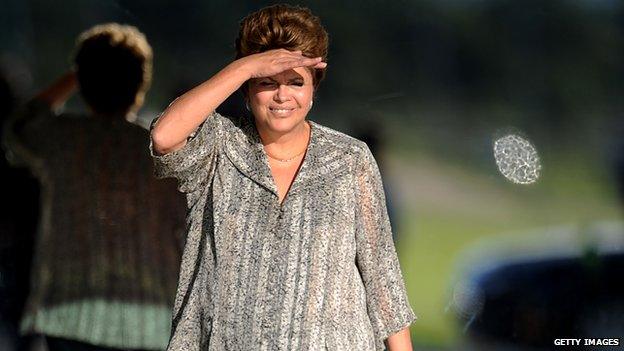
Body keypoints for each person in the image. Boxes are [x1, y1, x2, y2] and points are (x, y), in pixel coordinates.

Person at [151, 5, 416, 351]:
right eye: (267, 82)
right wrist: (245, 66)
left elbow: (383, 279)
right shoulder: (218, 145)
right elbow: (164, 137)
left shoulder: (350, 160)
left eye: (295, 82)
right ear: (246, 88)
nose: (282, 96)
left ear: (312, 89)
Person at [4, 24, 186, 351]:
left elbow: (19, 126)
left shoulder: (60, 140)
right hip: (149, 319)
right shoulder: (161, 153)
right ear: (140, 87)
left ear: (83, 84)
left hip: (71, 312)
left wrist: (80, 74)